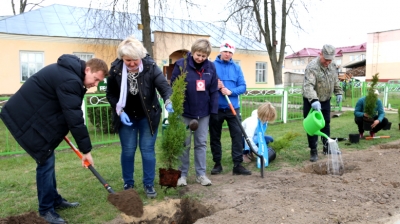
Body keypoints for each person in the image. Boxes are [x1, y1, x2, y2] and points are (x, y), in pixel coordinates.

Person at [0, 54, 108, 224]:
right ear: (87, 69)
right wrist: (86, 150)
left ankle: (54, 200)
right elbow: (75, 118)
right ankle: (46, 210)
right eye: (95, 79)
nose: (95, 85)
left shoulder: (68, 74)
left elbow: (60, 106)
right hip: (23, 118)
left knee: (48, 158)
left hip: (33, 116)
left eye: (98, 82)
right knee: (45, 160)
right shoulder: (70, 80)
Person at [106, 36, 173, 199]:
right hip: (126, 115)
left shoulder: (150, 67)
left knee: (147, 151)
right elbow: (111, 94)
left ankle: (148, 184)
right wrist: (120, 112)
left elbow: (164, 88)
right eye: (127, 60)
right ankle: (128, 183)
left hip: (148, 116)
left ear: (141, 57)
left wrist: (168, 101)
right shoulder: (115, 69)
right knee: (128, 151)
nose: (131, 64)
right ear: (122, 58)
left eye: (135, 60)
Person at [171, 39, 219, 187]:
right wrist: (175, 105)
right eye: (198, 55)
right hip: (185, 112)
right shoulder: (181, 65)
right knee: (184, 144)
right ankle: (182, 175)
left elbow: (213, 90)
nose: (200, 58)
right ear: (192, 52)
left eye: (204, 56)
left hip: (203, 113)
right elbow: (174, 86)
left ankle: (201, 175)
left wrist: (213, 111)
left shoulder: (211, 67)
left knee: (201, 144)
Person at [209, 39, 251, 175]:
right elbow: (205, 85)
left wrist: (230, 91)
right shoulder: (212, 66)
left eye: (230, 52)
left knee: (237, 136)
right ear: (221, 51)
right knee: (215, 137)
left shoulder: (236, 68)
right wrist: (215, 86)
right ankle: (217, 164)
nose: (227, 54)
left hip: (233, 107)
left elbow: (243, 86)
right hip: (216, 108)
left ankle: (237, 165)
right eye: (225, 51)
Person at [302, 44, 343, 162]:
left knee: (326, 123)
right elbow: (308, 86)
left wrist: (338, 92)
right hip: (312, 101)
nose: (327, 62)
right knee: (312, 126)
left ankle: (326, 148)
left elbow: (335, 81)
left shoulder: (332, 66)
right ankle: (313, 151)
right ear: (320, 54)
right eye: (326, 59)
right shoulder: (312, 67)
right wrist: (314, 100)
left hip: (325, 101)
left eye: (330, 60)